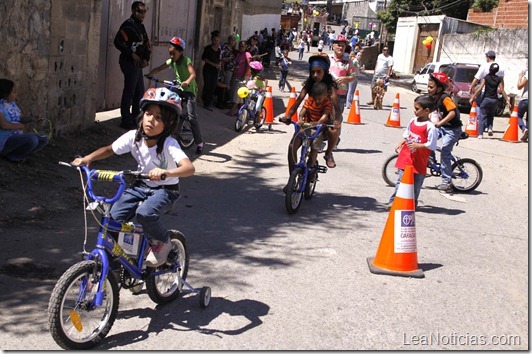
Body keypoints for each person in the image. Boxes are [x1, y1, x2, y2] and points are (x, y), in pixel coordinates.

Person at [71, 87, 195, 268]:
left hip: (165, 190)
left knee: (145, 213)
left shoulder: (169, 144)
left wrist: (166, 173)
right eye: (148, 113)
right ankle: (115, 260)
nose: (151, 119)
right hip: (140, 186)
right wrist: (88, 158)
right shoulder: (134, 137)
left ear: (168, 124)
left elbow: (189, 168)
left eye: (158, 117)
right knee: (112, 217)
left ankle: (163, 242)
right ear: (141, 115)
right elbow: (109, 150)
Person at [146, 37, 205, 154]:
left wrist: (187, 81)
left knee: (192, 117)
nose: (172, 56)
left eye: (174, 54)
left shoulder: (186, 60)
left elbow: (193, 74)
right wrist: (151, 73)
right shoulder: (172, 61)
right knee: (166, 100)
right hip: (179, 87)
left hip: (189, 90)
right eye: (170, 54)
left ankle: (199, 143)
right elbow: (159, 68)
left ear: (181, 52)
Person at [284, 54, 340, 177]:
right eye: (313, 72)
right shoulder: (309, 85)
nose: (315, 75)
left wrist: (337, 120)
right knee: (291, 147)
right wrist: (289, 116)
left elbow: (336, 105)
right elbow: (298, 101)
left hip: (323, 124)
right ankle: (291, 179)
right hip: (308, 124)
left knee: (334, 130)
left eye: (318, 72)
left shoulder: (330, 86)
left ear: (325, 71)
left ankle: (329, 153)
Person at [387, 96, 437, 210]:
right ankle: (393, 202)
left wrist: (418, 145)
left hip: (419, 161)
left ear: (427, 111)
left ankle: (412, 204)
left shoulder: (430, 127)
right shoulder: (412, 121)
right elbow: (407, 134)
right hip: (406, 158)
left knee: (416, 185)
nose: (414, 111)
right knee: (401, 181)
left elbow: (432, 144)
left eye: (417, 108)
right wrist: (402, 142)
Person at [114, 1, 151, 130]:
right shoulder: (128, 26)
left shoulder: (140, 26)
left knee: (139, 91)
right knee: (130, 91)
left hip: (138, 65)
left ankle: (136, 117)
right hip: (129, 63)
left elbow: (147, 44)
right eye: (140, 11)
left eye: (144, 11)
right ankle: (125, 120)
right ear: (133, 11)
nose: (142, 14)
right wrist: (132, 54)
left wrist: (146, 58)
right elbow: (118, 42)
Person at [427, 72, 463, 191]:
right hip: (443, 127)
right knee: (428, 139)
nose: (428, 89)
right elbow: (428, 110)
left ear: (439, 88)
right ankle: (431, 161)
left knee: (445, 152)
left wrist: (439, 123)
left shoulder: (445, 98)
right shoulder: (434, 98)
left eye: (431, 87)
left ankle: (447, 181)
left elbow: (452, 112)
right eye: (428, 86)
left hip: (453, 130)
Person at [0, 79, 49, 162]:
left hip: (15, 136)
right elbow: (4, 125)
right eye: (13, 92)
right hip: (5, 139)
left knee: (43, 138)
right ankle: (13, 156)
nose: (15, 94)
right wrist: (20, 126)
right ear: (6, 94)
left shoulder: (11, 104)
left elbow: (17, 119)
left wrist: (32, 119)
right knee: (32, 139)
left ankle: (17, 154)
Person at [328, 34, 356, 164]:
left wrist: (345, 79)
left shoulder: (348, 62)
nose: (340, 47)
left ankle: (335, 141)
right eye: (338, 44)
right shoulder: (327, 59)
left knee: (337, 119)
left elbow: (353, 76)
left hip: (340, 95)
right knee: (325, 117)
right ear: (333, 45)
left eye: (343, 45)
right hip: (326, 94)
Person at [298, 82, 333, 173]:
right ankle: (302, 160)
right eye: (316, 98)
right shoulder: (310, 100)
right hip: (308, 125)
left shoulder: (327, 103)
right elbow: (303, 111)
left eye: (320, 98)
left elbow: (325, 115)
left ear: (326, 95)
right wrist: (301, 119)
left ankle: (312, 166)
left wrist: (318, 122)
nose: (317, 100)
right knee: (304, 143)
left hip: (319, 128)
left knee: (314, 147)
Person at [469, 63, 510, 139]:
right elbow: (502, 90)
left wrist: (473, 97)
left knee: (482, 116)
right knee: (491, 115)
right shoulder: (499, 79)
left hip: (486, 99)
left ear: (490, 69)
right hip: (494, 100)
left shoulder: (486, 77)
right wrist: (507, 100)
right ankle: (490, 128)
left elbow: (480, 88)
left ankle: (480, 134)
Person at [226, 40, 252, 117]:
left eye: (242, 46)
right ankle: (240, 111)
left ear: (246, 47)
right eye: (240, 46)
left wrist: (244, 75)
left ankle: (233, 110)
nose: (241, 47)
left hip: (243, 76)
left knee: (238, 94)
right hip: (236, 75)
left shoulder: (247, 54)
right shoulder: (238, 54)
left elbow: (248, 65)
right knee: (238, 94)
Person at [201, 30, 222, 111]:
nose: (216, 42)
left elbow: (219, 59)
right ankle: (204, 99)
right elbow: (204, 58)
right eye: (214, 40)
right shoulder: (208, 48)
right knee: (207, 85)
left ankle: (208, 103)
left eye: (217, 40)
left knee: (213, 86)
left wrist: (219, 65)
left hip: (215, 70)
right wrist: (213, 64)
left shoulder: (219, 50)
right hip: (207, 69)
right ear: (212, 40)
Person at [517, 68, 528, 142]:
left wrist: (520, 77)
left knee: (518, 116)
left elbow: (519, 86)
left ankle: (524, 129)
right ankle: (526, 135)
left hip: (526, 98)